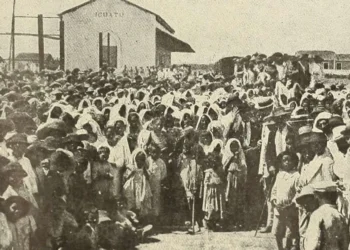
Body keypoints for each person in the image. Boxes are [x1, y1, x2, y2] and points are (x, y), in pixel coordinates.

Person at [304, 181, 349, 250]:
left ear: (318, 196)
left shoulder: (317, 215)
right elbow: (345, 244)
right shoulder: (340, 216)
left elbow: (312, 245)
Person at [270, 151, 300, 250]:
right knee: (278, 232)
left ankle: (288, 247)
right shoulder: (279, 175)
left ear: (294, 161)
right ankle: (280, 248)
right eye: (284, 160)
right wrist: (274, 201)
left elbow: (298, 192)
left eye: (289, 160)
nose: (287, 162)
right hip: (279, 209)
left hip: (290, 209)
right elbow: (274, 190)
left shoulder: (296, 176)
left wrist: (292, 204)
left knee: (289, 233)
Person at [295, 185, 319, 250]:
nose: (305, 205)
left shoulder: (319, 217)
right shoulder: (304, 216)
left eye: (308, 202)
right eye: (303, 202)